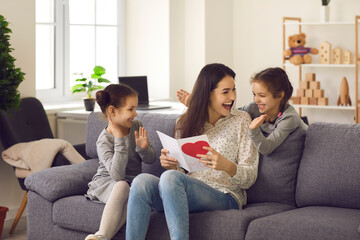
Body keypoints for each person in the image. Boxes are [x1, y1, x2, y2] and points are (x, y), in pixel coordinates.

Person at [126, 63, 259, 240]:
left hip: (226, 195)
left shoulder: (241, 120)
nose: (233, 97)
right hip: (187, 191)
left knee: (170, 178)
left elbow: (249, 177)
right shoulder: (185, 122)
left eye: (233, 90)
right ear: (208, 94)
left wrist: (226, 166)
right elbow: (179, 175)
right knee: (141, 181)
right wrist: (171, 164)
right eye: (225, 92)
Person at [177, 67, 308, 155]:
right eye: (254, 94)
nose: (256, 100)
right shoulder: (254, 107)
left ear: (279, 95)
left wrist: (252, 130)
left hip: (307, 147)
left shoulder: (289, 118)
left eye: (262, 96)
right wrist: (195, 105)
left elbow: (266, 148)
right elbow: (229, 116)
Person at [85, 84, 156, 240]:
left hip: (131, 185)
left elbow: (150, 159)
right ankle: (102, 235)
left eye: (135, 108)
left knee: (135, 193)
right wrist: (119, 139)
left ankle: (101, 238)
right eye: (130, 109)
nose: (135, 114)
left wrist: (143, 148)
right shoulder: (103, 140)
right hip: (107, 183)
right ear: (112, 111)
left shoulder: (136, 126)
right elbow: (117, 176)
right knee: (123, 185)